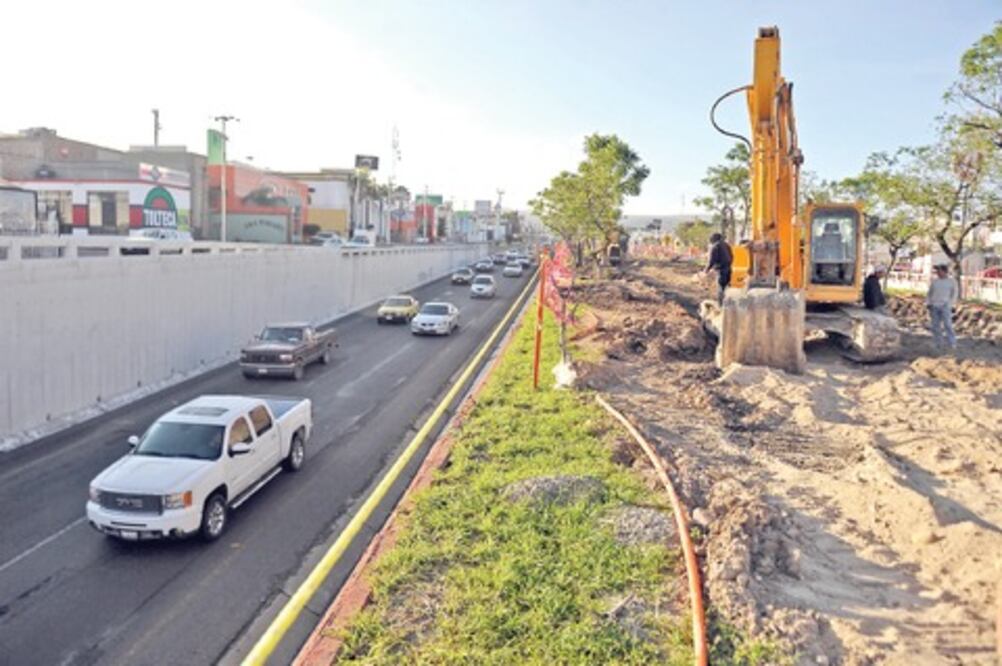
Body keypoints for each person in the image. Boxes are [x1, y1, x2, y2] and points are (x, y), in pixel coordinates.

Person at [926, 263, 958, 350]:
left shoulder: (951, 282)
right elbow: (929, 293)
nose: (938, 273)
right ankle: (938, 343)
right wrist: (928, 303)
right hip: (934, 306)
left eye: (939, 271)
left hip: (945, 306)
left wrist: (951, 304)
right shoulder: (935, 282)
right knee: (935, 326)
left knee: (948, 324)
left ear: (945, 271)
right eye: (937, 271)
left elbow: (954, 294)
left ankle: (952, 343)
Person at [704, 232, 733, 305]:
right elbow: (732, 256)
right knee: (728, 287)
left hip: (721, 270)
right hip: (729, 268)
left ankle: (721, 305)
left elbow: (711, 260)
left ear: (714, 238)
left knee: (721, 288)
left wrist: (706, 270)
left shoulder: (715, 246)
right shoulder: (726, 245)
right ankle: (729, 304)